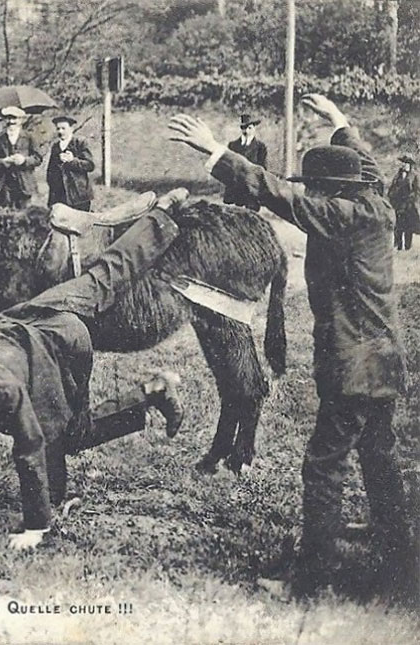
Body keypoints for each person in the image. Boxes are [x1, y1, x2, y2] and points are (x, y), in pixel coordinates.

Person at [169, 94, 418, 604]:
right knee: (379, 456)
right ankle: (398, 556)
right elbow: (368, 164)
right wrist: (339, 121)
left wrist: (216, 150)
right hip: (384, 362)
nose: (312, 193)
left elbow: (279, 195)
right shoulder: (377, 204)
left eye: (317, 187)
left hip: (352, 365)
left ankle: (311, 580)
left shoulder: (339, 216)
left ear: (331, 191)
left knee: (323, 466)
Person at [0, 188, 189, 551]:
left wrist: (36, 526)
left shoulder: (4, 393)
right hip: (29, 313)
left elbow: (30, 447)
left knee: (65, 435)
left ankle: (152, 392)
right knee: (106, 275)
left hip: (63, 339)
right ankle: (163, 213)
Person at [0, 106, 42, 209]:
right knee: (7, 214)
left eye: (14, 118)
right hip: (5, 185)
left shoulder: (29, 137)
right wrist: (3, 161)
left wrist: (24, 160)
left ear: (21, 120)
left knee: (25, 214)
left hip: (25, 184)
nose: (11, 121)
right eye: (8, 118)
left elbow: (38, 158)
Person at [46, 115, 96, 211]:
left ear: (71, 129)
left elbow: (90, 165)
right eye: (58, 129)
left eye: (63, 128)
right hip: (59, 195)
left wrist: (73, 161)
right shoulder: (55, 146)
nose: (60, 131)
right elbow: (50, 170)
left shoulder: (80, 142)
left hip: (78, 194)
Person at [223, 114, 268, 211]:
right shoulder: (233, 145)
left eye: (250, 128)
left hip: (251, 185)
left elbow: (262, 168)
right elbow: (228, 166)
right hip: (236, 186)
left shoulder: (260, 147)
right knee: (236, 212)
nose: (247, 131)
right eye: (244, 128)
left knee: (251, 212)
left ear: (254, 128)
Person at [389, 155, 420, 251]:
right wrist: (393, 197)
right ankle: (398, 246)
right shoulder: (397, 175)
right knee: (398, 226)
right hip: (399, 204)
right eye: (403, 163)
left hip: (409, 205)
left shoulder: (414, 175)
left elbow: (417, 191)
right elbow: (392, 188)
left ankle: (407, 246)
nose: (404, 165)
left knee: (408, 227)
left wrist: (412, 200)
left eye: (406, 163)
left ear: (410, 165)